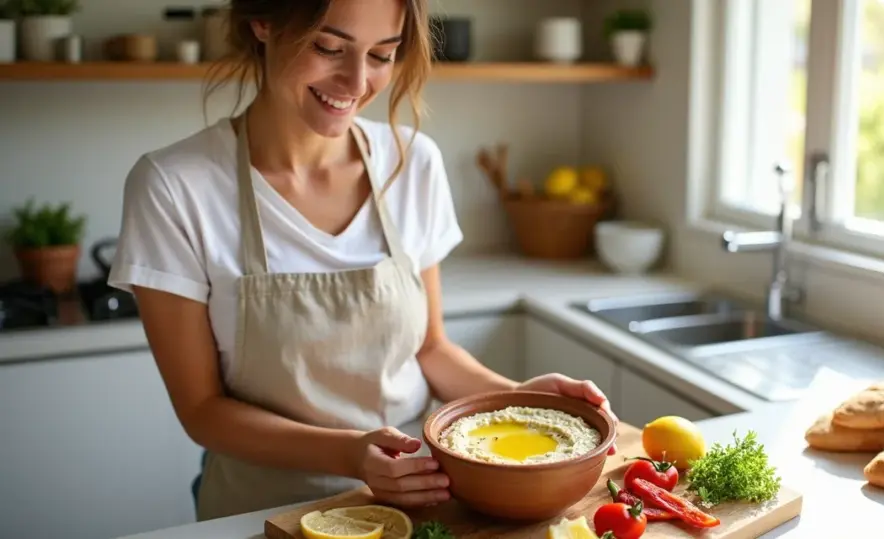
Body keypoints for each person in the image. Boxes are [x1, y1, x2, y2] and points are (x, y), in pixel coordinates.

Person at [108, 0, 617, 522]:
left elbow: (431, 348)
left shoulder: (413, 163)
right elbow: (203, 411)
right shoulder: (173, 186)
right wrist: (350, 454)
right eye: (329, 47)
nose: (356, 81)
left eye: (382, 54)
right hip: (260, 512)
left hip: (418, 498)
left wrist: (517, 398)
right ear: (262, 21)